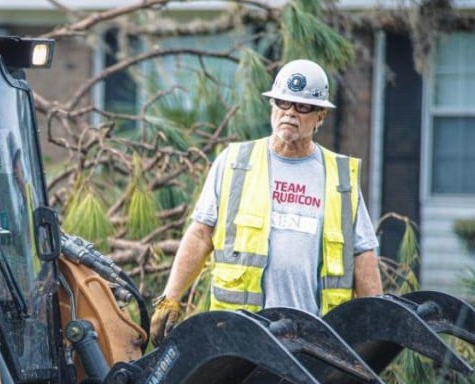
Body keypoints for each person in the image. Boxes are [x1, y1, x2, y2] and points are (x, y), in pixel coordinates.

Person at [149, 59, 382, 346]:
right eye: (282, 103)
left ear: (320, 115)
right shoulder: (236, 163)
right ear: (272, 106)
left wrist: (377, 326)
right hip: (239, 334)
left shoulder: (341, 177)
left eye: (302, 107)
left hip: (315, 340)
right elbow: (200, 235)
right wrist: (171, 297)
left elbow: (362, 255)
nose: (290, 113)